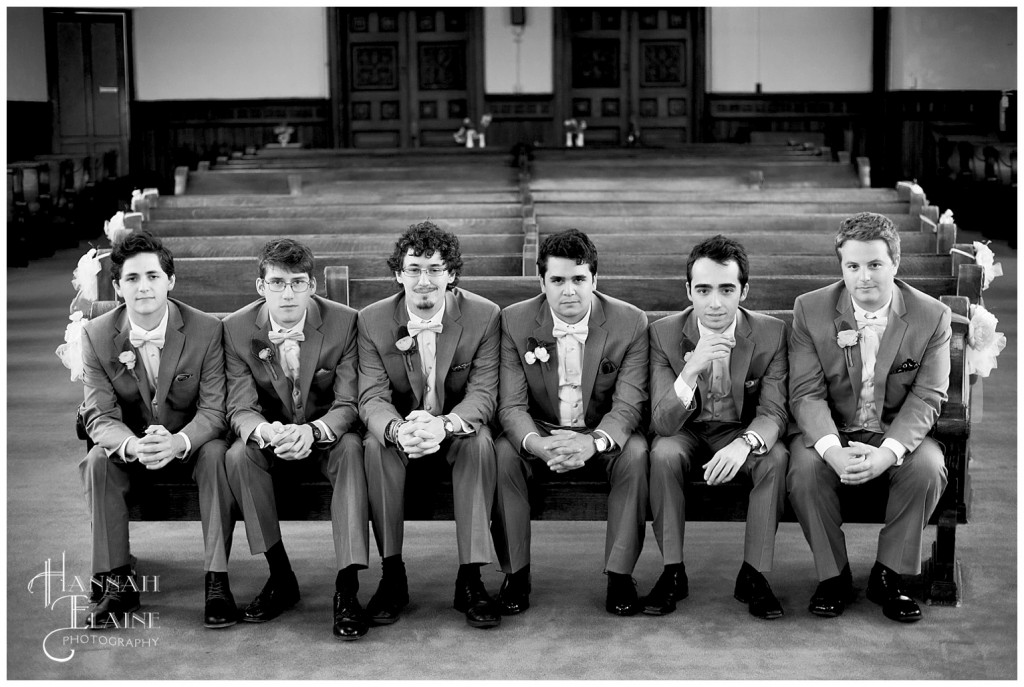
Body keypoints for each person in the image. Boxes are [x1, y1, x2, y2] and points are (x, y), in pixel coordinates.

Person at [787, 212, 950, 623]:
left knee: (929, 465)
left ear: (895, 263)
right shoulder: (811, 309)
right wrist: (831, 450)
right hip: (835, 428)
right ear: (841, 266)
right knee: (804, 467)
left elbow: (928, 395)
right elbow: (806, 392)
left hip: (893, 428)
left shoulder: (931, 315)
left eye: (875, 264)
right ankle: (833, 575)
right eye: (853, 266)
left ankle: (889, 575)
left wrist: (887, 453)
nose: (864, 277)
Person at [79, 231, 235, 630]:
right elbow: (99, 415)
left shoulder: (205, 330)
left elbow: (215, 408)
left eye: (152, 276)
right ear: (117, 287)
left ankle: (216, 580)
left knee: (219, 454)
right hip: (134, 446)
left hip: (192, 445)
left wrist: (179, 441)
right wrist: (133, 445)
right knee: (97, 460)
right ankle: (117, 582)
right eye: (131, 278)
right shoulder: (97, 335)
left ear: (170, 281)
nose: (143, 286)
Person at [491, 228, 650, 617]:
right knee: (503, 454)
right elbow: (511, 406)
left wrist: (592, 443)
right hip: (541, 424)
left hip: (601, 428)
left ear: (595, 280)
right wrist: (537, 444)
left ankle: (620, 573)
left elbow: (628, 405)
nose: (569, 292)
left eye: (579, 280)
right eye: (557, 280)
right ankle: (516, 572)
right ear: (541, 281)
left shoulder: (630, 322)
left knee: (637, 454)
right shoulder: (514, 321)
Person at [358, 221, 502, 629]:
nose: (424, 280)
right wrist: (399, 430)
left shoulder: (484, 316)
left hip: (456, 429)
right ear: (398, 273)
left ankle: (471, 577)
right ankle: (392, 575)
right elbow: (371, 397)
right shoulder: (371, 320)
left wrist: (444, 426)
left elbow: (483, 394)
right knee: (374, 446)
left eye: (435, 269)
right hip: (402, 432)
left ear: (451, 274)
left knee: (480, 443)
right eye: (415, 269)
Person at [223, 238, 369, 640]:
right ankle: (280, 574)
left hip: (328, 435)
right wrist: (266, 432)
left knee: (354, 450)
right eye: (276, 283)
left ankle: (347, 586)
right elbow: (240, 406)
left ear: (312, 286)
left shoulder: (345, 322)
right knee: (238, 456)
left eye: (297, 282)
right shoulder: (236, 330)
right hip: (274, 436)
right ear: (260, 287)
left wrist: (314, 430)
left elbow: (349, 401)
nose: (287, 293)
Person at [645, 235, 789, 619]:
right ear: (688, 290)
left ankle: (754, 573)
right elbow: (662, 422)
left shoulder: (772, 334)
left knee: (773, 457)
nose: (715, 302)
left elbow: (774, 411)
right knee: (662, 454)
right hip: (685, 429)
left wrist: (744, 443)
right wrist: (691, 369)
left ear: (744, 290)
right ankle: (672, 571)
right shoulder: (663, 333)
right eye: (704, 289)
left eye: (727, 289)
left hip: (739, 428)